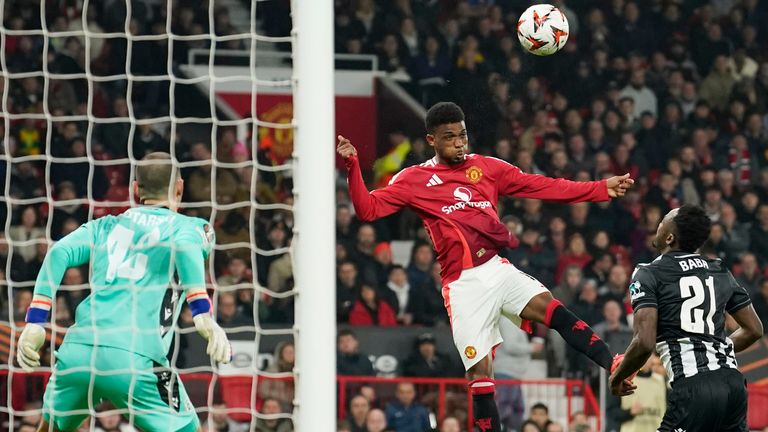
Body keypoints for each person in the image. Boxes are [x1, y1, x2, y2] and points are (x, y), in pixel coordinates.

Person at [338, 102, 634, 430]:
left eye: (462, 135)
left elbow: (543, 186)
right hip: (463, 286)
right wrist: (353, 166)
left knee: (553, 310)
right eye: (449, 137)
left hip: (496, 268)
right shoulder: (414, 179)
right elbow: (367, 211)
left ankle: (614, 363)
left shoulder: (487, 168)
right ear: (431, 140)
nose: (459, 142)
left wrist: (599, 189)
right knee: (481, 377)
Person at [15, 152, 232, 432]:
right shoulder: (190, 228)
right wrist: (203, 315)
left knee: (50, 428)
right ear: (180, 187)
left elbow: (58, 252)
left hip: (79, 351)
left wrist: (35, 322)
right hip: (136, 358)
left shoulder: (105, 225)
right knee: (189, 428)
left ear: (135, 189)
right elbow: (187, 248)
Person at [610, 205, 764, 431]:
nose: (658, 226)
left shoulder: (648, 273)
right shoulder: (718, 269)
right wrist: (715, 349)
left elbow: (644, 342)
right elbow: (754, 330)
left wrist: (617, 378)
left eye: (662, 221)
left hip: (694, 387)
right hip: (733, 385)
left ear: (670, 237)